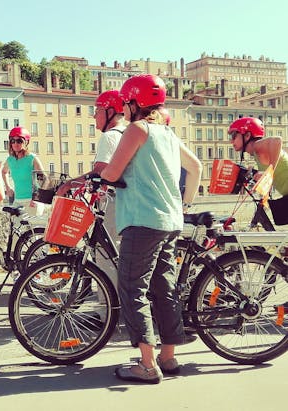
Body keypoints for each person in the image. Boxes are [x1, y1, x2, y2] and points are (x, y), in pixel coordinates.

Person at [99, 74, 202, 384]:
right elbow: (196, 167)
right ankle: (168, 357)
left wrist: (102, 173)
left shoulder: (137, 129)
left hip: (143, 221)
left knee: (133, 289)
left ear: (134, 103)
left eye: (125, 103)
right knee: (165, 289)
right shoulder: (167, 133)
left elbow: (112, 172)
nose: (123, 109)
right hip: (171, 221)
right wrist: (183, 205)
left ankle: (146, 364)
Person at [56, 89, 127, 240]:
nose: (94, 115)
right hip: (127, 203)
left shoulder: (109, 137)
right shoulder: (126, 133)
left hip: (112, 203)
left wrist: (68, 185)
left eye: (98, 110)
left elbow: (99, 172)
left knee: (105, 258)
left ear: (110, 112)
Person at [2, 126, 45, 216]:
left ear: (26, 142)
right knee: (16, 228)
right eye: (13, 141)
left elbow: (43, 178)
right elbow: (4, 172)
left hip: (32, 201)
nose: (15, 144)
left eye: (19, 141)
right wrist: (8, 187)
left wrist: (36, 197)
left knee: (33, 229)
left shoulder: (32, 158)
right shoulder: (10, 160)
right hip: (18, 201)